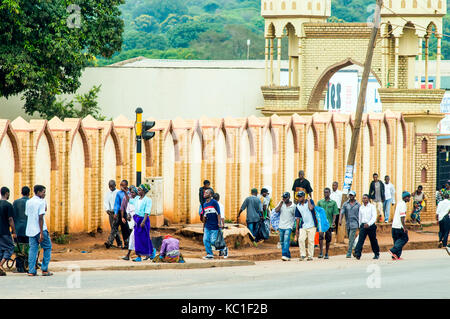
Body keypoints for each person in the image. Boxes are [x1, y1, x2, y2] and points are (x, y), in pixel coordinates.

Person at [26, 185, 52, 276]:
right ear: (38, 192)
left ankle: (31, 270)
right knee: (47, 247)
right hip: (40, 229)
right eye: (43, 192)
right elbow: (41, 217)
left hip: (30, 230)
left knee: (33, 249)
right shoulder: (41, 202)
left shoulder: (29, 202)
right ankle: (44, 269)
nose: (44, 194)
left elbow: (27, 214)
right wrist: (41, 233)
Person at [128, 184, 153, 262]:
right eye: (138, 189)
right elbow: (129, 200)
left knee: (145, 238)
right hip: (137, 219)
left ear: (144, 191)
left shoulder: (148, 200)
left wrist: (143, 221)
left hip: (143, 220)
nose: (138, 191)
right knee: (137, 238)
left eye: (139, 190)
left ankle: (151, 252)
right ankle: (138, 256)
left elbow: (147, 211)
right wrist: (126, 192)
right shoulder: (136, 199)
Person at [105, 180, 130, 249]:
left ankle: (126, 244)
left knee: (125, 229)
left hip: (126, 213)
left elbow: (129, 200)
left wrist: (125, 192)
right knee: (114, 227)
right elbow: (117, 204)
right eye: (121, 185)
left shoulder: (129, 192)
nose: (121, 186)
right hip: (119, 213)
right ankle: (109, 242)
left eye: (123, 185)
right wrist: (116, 213)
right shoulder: (119, 193)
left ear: (126, 185)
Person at [354, 194, 380, 260]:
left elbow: (374, 217)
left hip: (371, 226)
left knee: (373, 240)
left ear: (368, 199)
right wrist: (360, 226)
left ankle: (376, 253)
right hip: (363, 225)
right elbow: (360, 217)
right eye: (363, 198)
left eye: (365, 198)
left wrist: (369, 224)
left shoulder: (372, 207)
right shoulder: (361, 207)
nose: (364, 199)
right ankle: (358, 253)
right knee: (360, 240)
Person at [294, 191, 317, 261]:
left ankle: (310, 256)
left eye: (300, 196)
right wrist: (297, 229)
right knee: (301, 239)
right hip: (303, 226)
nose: (299, 198)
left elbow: (311, 208)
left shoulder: (310, 201)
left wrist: (309, 200)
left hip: (312, 225)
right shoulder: (298, 206)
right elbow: (298, 218)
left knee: (311, 241)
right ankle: (303, 255)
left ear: (304, 197)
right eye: (298, 197)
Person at [12, 186, 30, 273]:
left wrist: (13, 230)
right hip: (29, 229)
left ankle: (19, 267)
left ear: (21, 192)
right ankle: (26, 265)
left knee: (18, 248)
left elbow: (13, 217)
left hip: (18, 229)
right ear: (29, 193)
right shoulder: (31, 202)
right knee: (27, 247)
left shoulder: (15, 202)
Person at [317, 188, 339, 259]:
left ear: (329, 193)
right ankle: (320, 252)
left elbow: (335, 213)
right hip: (321, 223)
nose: (326, 194)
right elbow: (317, 212)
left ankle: (326, 252)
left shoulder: (333, 203)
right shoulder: (320, 202)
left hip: (329, 223)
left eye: (327, 192)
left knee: (328, 238)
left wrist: (333, 222)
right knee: (320, 237)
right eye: (325, 192)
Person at [201, 189, 223, 259]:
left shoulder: (214, 202)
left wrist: (219, 223)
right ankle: (210, 254)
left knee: (213, 241)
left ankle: (222, 248)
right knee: (205, 240)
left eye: (207, 192)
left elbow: (218, 213)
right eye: (205, 192)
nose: (205, 193)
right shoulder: (204, 204)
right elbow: (205, 216)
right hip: (207, 226)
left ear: (210, 195)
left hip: (215, 225)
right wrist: (203, 226)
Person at [274, 192, 296, 261]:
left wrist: (294, 226)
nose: (283, 199)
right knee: (282, 242)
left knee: (286, 241)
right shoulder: (281, 204)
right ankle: (288, 255)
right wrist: (280, 204)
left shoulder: (293, 206)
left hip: (288, 226)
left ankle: (284, 255)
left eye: (285, 198)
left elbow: (295, 216)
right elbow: (276, 211)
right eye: (283, 197)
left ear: (289, 198)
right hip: (281, 226)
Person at [389, 191, 411, 260]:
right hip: (399, 226)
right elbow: (402, 218)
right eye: (408, 197)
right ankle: (393, 250)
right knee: (404, 238)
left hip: (394, 226)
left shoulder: (399, 203)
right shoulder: (403, 205)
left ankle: (395, 256)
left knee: (397, 241)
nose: (409, 199)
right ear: (405, 197)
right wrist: (405, 228)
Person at [0, 187, 16, 276]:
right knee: (10, 247)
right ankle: (1, 264)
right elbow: (10, 219)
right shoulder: (8, 205)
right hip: (5, 231)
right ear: (6, 193)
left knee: (1, 249)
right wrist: (14, 231)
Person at [340, 190, 360, 258]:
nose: (351, 196)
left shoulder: (358, 204)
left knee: (351, 238)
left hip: (355, 223)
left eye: (352, 195)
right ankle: (356, 249)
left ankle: (349, 253)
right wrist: (340, 220)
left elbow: (361, 214)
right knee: (350, 238)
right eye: (350, 195)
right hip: (348, 223)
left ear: (355, 196)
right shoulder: (345, 204)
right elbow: (342, 212)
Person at [122, 185, 138, 261]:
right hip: (132, 220)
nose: (131, 194)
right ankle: (150, 252)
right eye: (130, 192)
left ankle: (128, 255)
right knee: (134, 237)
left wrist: (125, 192)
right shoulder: (131, 200)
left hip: (138, 221)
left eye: (133, 192)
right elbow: (127, 209)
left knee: (133, 237)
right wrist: (128, 215)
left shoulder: (137, 200)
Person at [103, 180, 121, 248]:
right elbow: (106, 202)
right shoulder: (108, 193)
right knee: (113, 228)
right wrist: (107, 209)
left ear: (115, 185)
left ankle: (110, 242)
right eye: (109, 186)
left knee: (114, 228)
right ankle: (119, 243)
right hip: (111, 212)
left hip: (117, 212)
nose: (110, 188)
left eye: (112, 186)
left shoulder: (118, 192)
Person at [212, 193, 228, 258]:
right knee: (219, 238)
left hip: (215, 224)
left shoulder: (213, 205)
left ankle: (223, 249)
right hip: (219, 223)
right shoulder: (221, 205)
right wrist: (223, 224)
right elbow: (222, 216)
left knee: (216, 238)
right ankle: (221, 250)